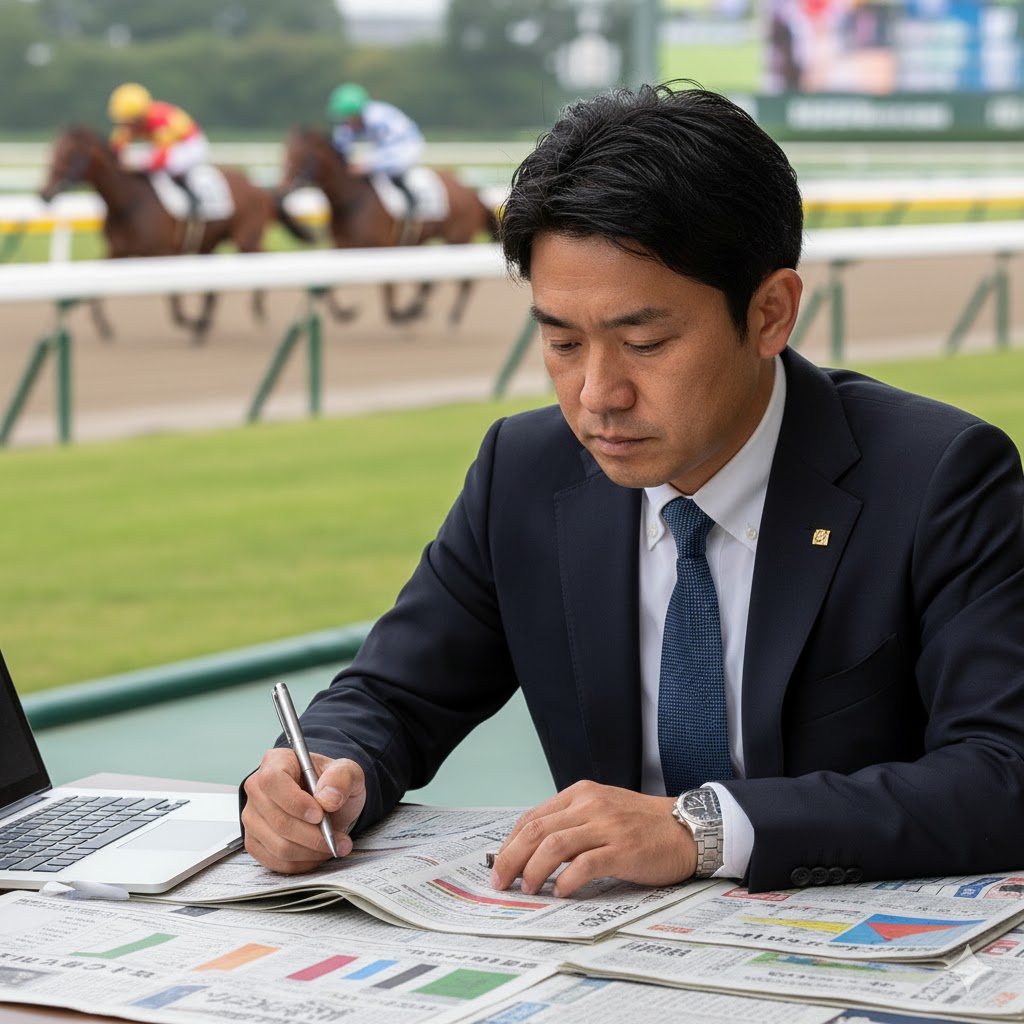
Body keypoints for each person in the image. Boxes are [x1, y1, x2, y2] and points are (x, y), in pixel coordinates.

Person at [242, 83, 1024, 896]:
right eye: (562, 343)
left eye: (644, 343)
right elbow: (392, 695)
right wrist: (323, 770)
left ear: (770, 313)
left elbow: (1006, 771)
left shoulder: (940, 476)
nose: (597, 395)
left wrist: (700, 828)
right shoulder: (523, 467)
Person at [325, 82, 425, 229]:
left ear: (357, 113)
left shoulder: (379, 118)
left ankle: (412, 203)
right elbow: (340, 145)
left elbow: (391, 154)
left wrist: (366, 166)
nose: (344, 122)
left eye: (346, 117)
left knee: (372, 166)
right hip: (383, 147)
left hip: (406, 146)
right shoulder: (351, 120)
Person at [106, 82, 209, 218]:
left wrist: (134, 165)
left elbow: (161, 159)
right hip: (167, 145)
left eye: (127, 122)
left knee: (171, 164)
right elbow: (115, 149)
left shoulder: (159, 120)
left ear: (139, 118)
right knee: (140, 158)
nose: (124, 127)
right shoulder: (131, 121)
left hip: (190, 145)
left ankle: (193, 197)